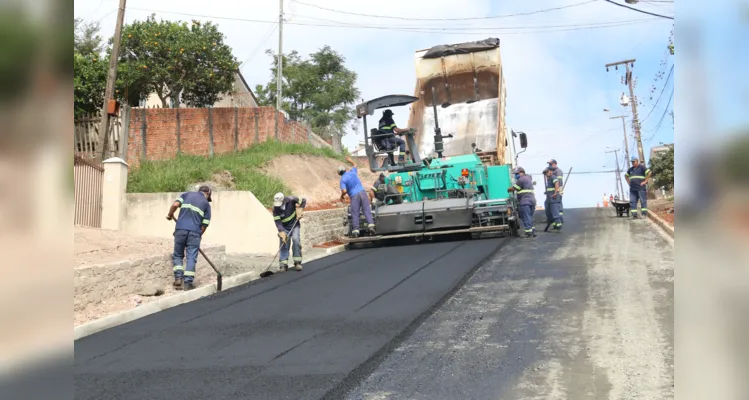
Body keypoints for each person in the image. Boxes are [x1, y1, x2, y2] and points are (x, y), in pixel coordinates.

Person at [166, 186, 212, 291]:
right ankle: (187, 283)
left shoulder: (186, 195)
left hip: (180, 230)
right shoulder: (206, 204)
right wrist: (199, 235)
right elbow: (205, 224)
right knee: (191, 257)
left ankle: (178, 279)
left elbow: (175, 205)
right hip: (195, 233)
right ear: (208, 194)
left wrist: (170, 214)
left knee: (178, 255)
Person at [339, 155, 376, 237]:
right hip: (362, 193)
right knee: (366, 210)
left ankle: (356, 231)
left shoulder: (342, 180)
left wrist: (341, 196)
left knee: (355, 213)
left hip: (354, 196)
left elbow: (344, 191)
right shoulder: (352, 172)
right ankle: (371, 226)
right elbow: (355, 165)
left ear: (339, 174)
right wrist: (350, 160)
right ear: (345, 170)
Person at [272, 192, 306, 272]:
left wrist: (300, 209)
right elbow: (277, 221)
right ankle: (283, 264)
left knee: (296, 239)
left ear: (284, 200)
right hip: (284, 228)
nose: (278, 205)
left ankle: (297, 262)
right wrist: (281, 232)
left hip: (294, 225)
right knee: (284, 243)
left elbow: (303, 201)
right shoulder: (275, 208)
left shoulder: (291, 199)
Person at [507, 166, 536, 238]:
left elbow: (514, 188)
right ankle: (532, 231)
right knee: (529, 216)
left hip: (525, 201)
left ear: (521, 172)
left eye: (517, 173)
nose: (516, 175)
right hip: (532, 200)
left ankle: (528, 233)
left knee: (525, 217)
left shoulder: (521, 180)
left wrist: (508, 189)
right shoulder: (528, 178)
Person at [544, 167, 563, 232]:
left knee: (555, 213)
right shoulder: (549, 179)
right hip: (550, 199)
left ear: (550, 171)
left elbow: (557, 184)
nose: (546, 174)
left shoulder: (553, 177)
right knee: (550, 213)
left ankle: (558, 226)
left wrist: (555, 193)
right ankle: (555, 225)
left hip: (553, 199)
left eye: (547, 172)